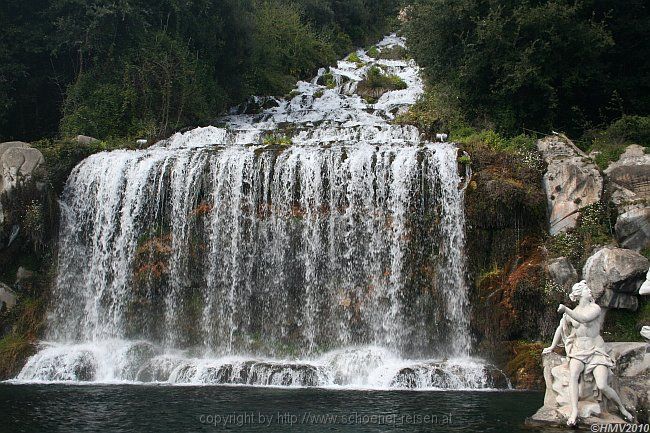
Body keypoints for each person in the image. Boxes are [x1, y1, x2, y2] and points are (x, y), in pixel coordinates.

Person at [543, 280, 633, 426]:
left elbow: (584, 320)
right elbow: (561, 329)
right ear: (579, 294)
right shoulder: (573, 312)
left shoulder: (595, 308)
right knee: (573, 375)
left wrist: (566, 309)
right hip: (578, 350)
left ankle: (621, 408)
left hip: (596, 351)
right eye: (587, 290)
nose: (590, 292)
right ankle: (574, 411)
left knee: (602, 385)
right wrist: (552, 347)